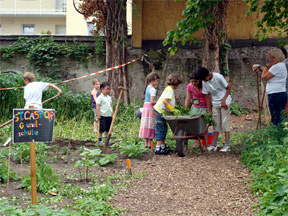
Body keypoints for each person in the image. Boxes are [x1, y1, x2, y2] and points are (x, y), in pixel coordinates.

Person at [197, 67, 232, 152]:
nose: (204, 81)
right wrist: (209, 110)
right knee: (216, 124)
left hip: (225, 102)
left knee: (225, 123)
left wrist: (224, 100)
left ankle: (227, 145)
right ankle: (214, 144)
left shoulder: (218, 77)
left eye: (205, 79)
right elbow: (207, 96)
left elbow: (228, 87)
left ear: (208, 75)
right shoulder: (204, 81)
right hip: (215, 103)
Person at [252, 48, 287, 125]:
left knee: (276, 116)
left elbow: (264, 77)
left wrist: (266, 68)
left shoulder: (277, 66)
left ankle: (277, 133)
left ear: (278, 57)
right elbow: (270, 73)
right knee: (279, 115)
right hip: (279, 93)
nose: (271, 59)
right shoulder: (281, 65)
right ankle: (279, 132)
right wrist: (262, 67)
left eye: (273, 57)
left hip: (276, 94)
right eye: (270, 58)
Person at [153, 74, 182, 155]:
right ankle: (158, 149)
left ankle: (162, 147)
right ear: (176, 83)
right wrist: (173, 109)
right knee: (160, 128)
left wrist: (174, 107)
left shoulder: (168, 88)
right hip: (158, 112)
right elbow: (165, 102)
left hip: (160, 112)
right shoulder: (170, 89)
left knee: (163, 128)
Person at [185, 72, 207, 148]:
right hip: (195, 107)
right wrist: (186, 109)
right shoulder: (189, 86)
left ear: (199, 80)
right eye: (192, 81)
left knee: (204, 126)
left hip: (204, 107)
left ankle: (205, 143)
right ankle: (196, 143)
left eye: (195, 81)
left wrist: (209, 111)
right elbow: (188, 98)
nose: (193, 83)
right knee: (194, 125)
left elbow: (208, 98)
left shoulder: (204, 85)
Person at [139, 72, 160, 148]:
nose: (157, 83)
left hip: (145, 107)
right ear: (153, 80)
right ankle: (150, 143)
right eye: (157, 81)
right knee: (151, 124)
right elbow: (152, 101)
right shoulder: (153, 89)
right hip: (150, 108)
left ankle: (146, 144)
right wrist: (159, 101)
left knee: (145, 124)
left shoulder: (147, 87)